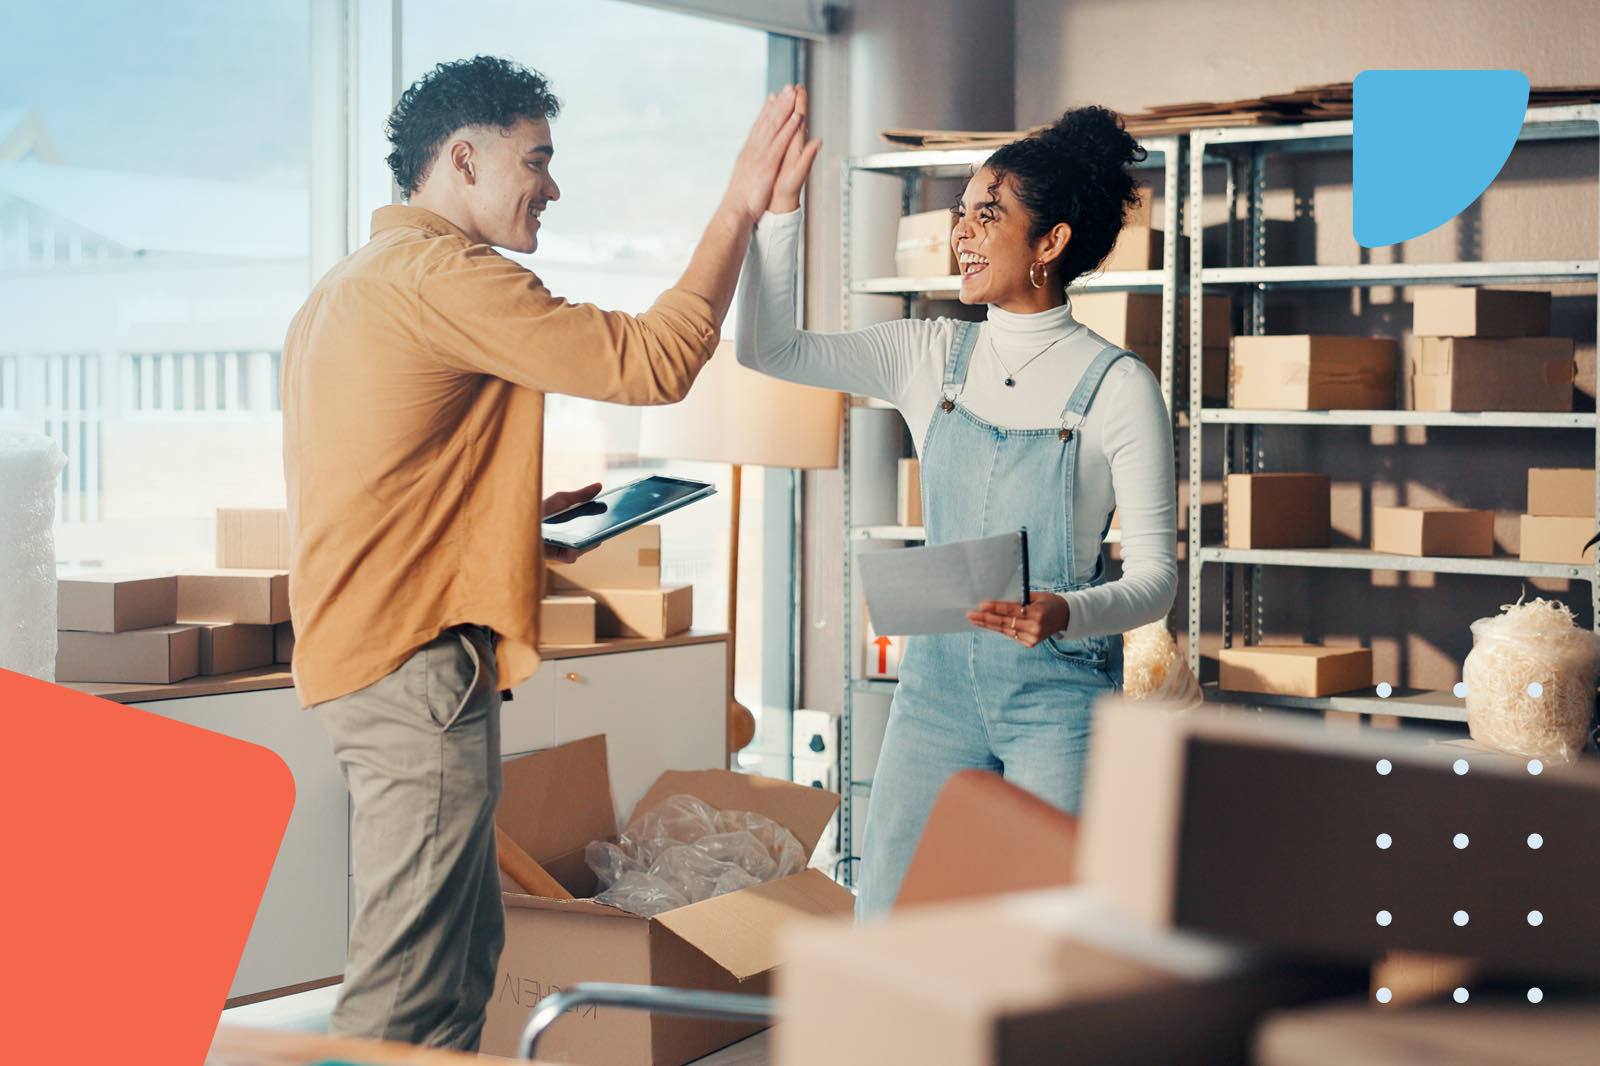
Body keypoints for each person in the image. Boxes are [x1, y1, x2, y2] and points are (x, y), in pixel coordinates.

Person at [281, 56, 804, 1050]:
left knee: (456, 961)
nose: (552, 186)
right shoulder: (446, 276)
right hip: (413, 672)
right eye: (538, 159)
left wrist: (504, 516)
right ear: (463, 160)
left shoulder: (348, 288)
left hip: (371, 664)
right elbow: (655, 359)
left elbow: (374, 490)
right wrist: (739, 206)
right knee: (401, 994)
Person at [737, 98, 1178, 918]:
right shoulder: (927, 352)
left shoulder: (1120, 388)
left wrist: (1066, 611)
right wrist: (780, 212)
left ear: (1051, 243)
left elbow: (1157, 582)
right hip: (934, 690)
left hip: (1057, 696)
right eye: (960, 213)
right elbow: (768, 350)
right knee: (889, 923)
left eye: (989, 214)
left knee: (1049, 942)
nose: (962, 235)